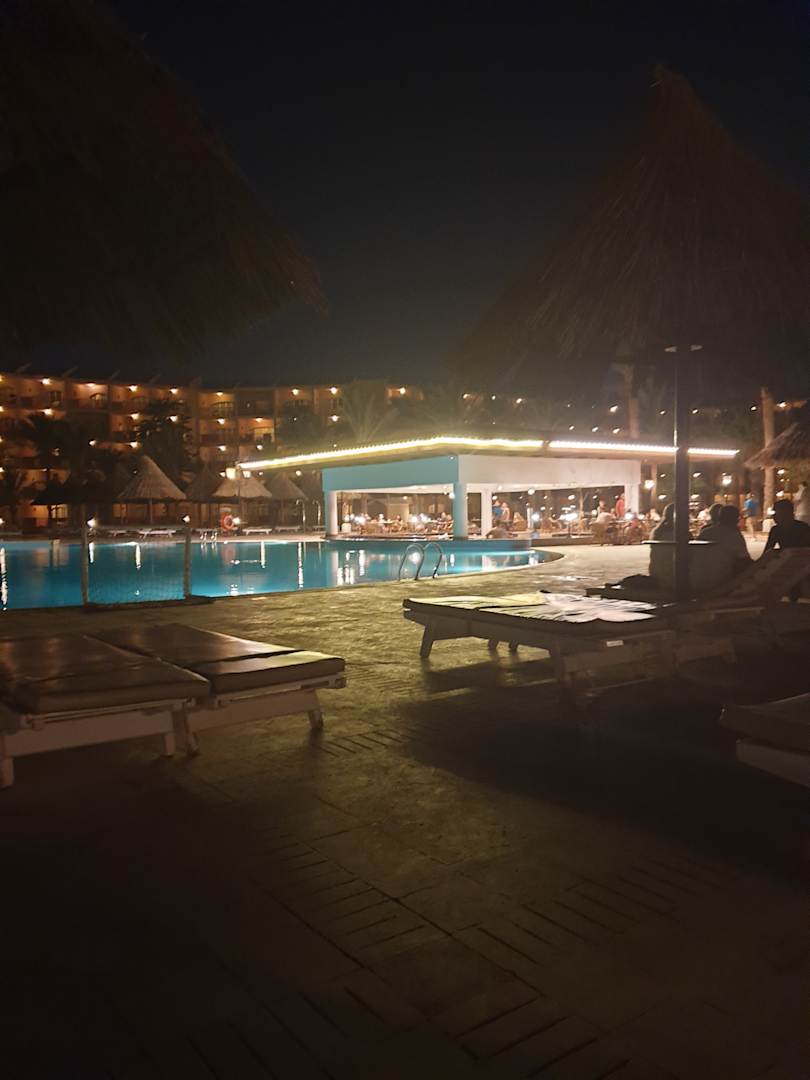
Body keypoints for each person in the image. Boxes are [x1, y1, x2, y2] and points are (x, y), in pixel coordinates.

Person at [698, 504, 751, 568]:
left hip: (703, 569)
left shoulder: (705, 532)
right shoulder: (734, 536)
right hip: (725, 571)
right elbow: (744, 558)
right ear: (735, 520)